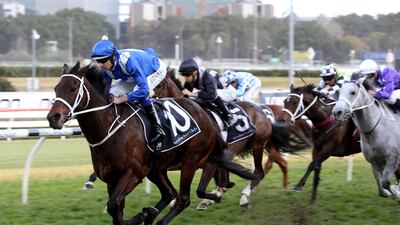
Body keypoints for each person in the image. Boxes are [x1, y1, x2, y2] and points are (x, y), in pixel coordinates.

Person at [91, 35, 166, 143]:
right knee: (114, 92)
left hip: (154, 70)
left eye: (103, 60)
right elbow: (106, 92)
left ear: (113, 57)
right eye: (98, 61)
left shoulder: (128, 62)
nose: (101, 64)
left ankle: (158, 128)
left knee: (138, 91)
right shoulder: (106, 69)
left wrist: (121, 99)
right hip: (132, 76)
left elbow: (143, 90)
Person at [179, 58, 233, 127]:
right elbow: (185, 95)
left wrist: (191, 94)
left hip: (228, 92)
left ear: (194, 72)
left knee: (212, 94)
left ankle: (228, 115)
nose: (185, 77)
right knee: (196, 97)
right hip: (213, 90)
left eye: (187, 74)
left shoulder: (206, 76)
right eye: (183, 74)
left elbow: (211, 95)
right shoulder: (191, 78)